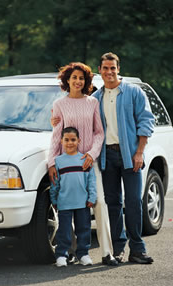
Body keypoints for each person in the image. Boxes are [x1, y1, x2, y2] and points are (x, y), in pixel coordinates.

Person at [48, 62, 118, 266]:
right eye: (74, 78)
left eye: (81, 78)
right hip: (66, 163)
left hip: (88, 162)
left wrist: (92, 153)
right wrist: (52, 162)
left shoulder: (92, 103)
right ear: (67, 80)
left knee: (99, 202)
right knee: (66, 206)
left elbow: (99, 132)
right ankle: (69, 252)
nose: (78, 81)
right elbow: (56, 135)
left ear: (86, 82)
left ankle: (107, 253)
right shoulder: (59, 105)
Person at [92, 52, 155, 264]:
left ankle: (137, 249)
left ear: (118, 69)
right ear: (99, 70)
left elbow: (146, 121)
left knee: (134, 201)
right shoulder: (95, 98)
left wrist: (139, 152)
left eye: (113, 68)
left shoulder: (133, 92)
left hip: (130, 155)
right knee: (113, 203)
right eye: (105, 68)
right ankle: (117, 249)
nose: (109, 72)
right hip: (106, 157)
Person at [50, 127, 96, 267]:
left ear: (79, 141)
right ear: (61, 141)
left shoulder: (84, 160)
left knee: (83, 229)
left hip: (82, 202)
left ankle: (83, 254)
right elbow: (55, 183)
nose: (70, 143)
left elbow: (91, 180)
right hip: (64, 202)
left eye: (73, 140)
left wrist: (92, 197)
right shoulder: (58, 161)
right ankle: (62, 255)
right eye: (67, 140)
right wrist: (54, 199)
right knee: (63, 231)